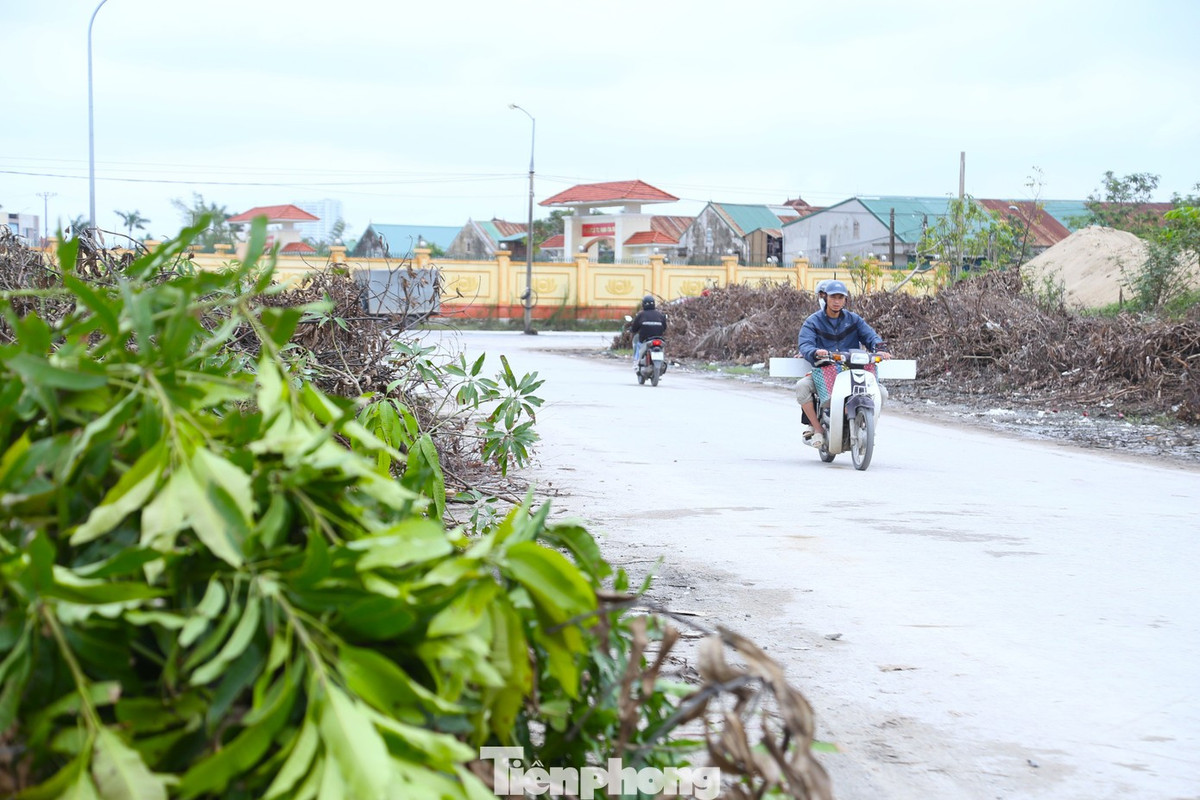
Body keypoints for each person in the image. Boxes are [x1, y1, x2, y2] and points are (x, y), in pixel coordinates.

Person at [795, 280, 891, 449]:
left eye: (841, 297)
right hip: (824, 371)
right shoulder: (813, 321)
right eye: (833, 297)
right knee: (802, 386)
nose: (837, 301)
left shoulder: (854, 320)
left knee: (881, 393)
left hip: (853, 371)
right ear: (825, 297)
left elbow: (871, 337)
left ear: (845, 300)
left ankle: (867, 429)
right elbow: (805, 345)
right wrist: (815, 352)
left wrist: (880, 349)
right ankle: (817, 429)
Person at [629, 294, 667, 369]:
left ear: (643, 304)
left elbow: (634, 328)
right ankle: (662, 361)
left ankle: (636, 362)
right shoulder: (659, 314)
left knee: (638, 346)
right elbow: (664, 327)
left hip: (644, 339)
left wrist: (632, 330)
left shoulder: (641, 315)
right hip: (658, 338)